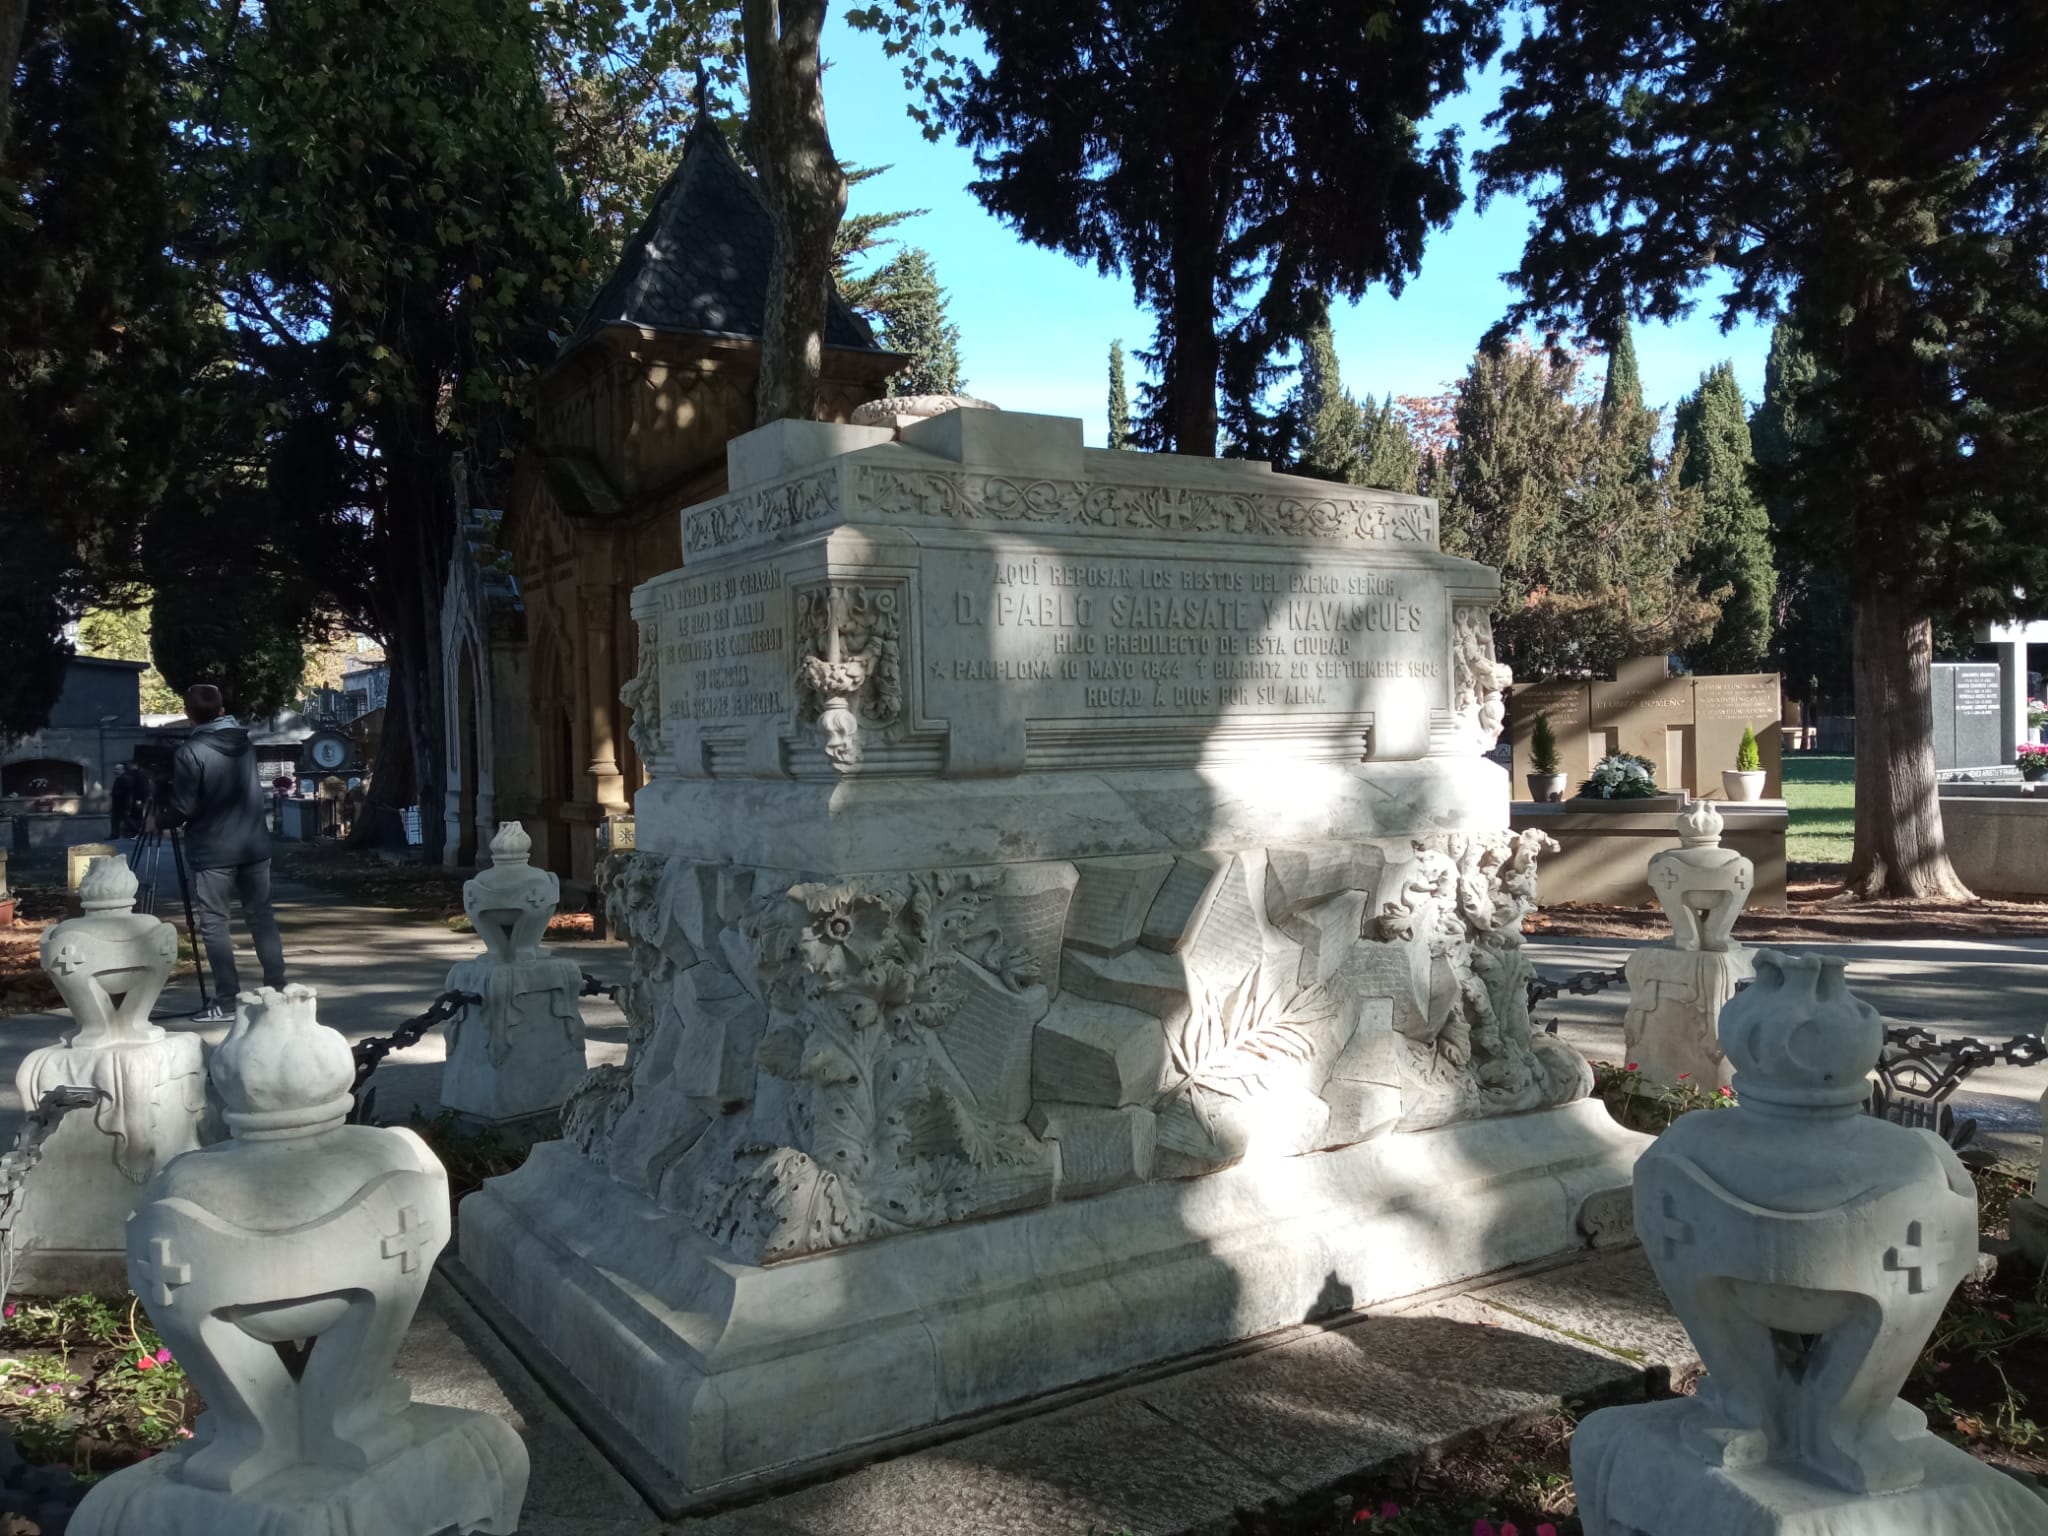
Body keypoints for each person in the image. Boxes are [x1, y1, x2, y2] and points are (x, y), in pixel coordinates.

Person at [157, 683, 286, 1022]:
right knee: (261, 916)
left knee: (215, 924)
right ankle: (279, 990)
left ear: (189, 714)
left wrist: (158, 816)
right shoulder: (244, 743)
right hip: (254, 844)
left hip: (213, 850)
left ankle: (227, 1000)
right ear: (221, 708)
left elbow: (184, 806)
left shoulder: (190, 752)